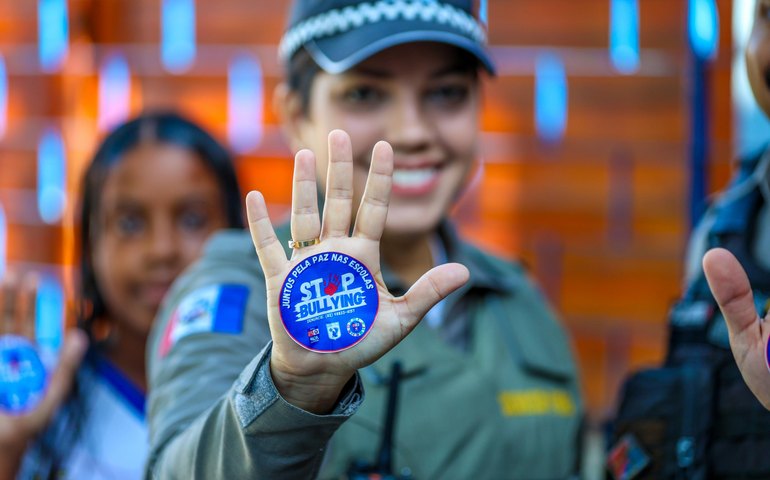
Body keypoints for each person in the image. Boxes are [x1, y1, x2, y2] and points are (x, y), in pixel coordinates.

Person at [146, 1, 584, 479]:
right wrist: (292, 391)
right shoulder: (243, 290)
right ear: (295, 117)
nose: (413, 132)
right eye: (364, 94)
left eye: (446, 93)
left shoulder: (516, 296)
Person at [0, 111, 244, 479]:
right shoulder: (43, 408)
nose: (161, 250)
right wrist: (8, 452)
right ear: (90, 244)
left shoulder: (278, 390)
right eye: (129, 222)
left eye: (193, 219)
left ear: (235, 233)